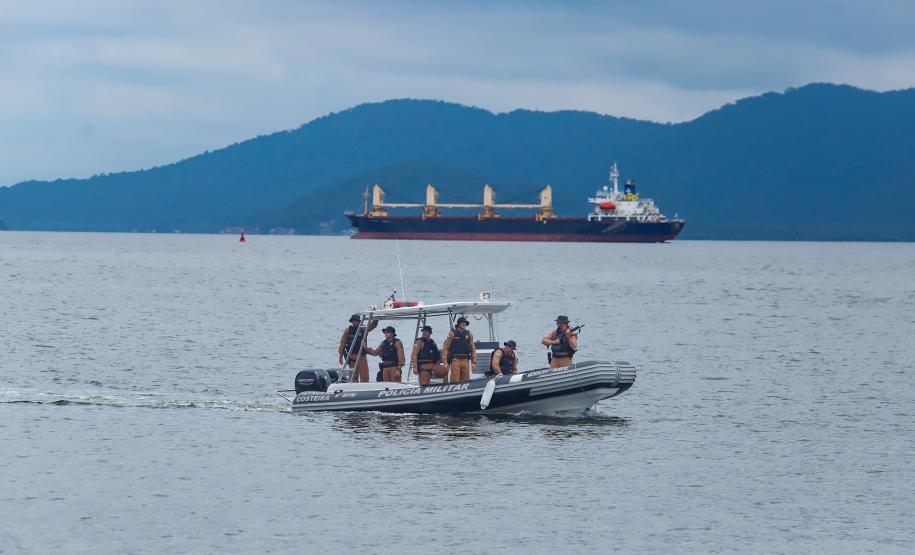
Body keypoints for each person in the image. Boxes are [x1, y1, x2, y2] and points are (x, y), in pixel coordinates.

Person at [337, 314, 378, 382]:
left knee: (365, 377)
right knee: (353, 376)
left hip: (362, 356)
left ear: (359, 321)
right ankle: (353, 387)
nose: (354, 322)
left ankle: (364, 388)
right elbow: (343, 343)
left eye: (356, 320)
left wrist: (376, 320)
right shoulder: (348, 330)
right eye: (353, 320)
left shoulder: (364, 328)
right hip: (352, 356)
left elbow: (372, 326)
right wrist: (340, 356)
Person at [442, 316, 476, 383]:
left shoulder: (469, 334)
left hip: (466, 360)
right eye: (462, 323)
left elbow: (473, 348)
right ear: (458, 324)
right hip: (456, 360)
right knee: (455, 380)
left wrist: (473, 361)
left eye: (465, 323)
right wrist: (445, 362)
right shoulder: (452, 334)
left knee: (466, 381)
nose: (464, 324)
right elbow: (446, 348)